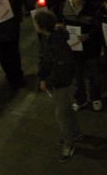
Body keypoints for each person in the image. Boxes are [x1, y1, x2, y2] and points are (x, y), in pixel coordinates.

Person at [34, 9, 81, 163]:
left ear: (43, 26)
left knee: (61, 114)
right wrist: (42, 77)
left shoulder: (56, 43)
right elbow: (44, 60)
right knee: (66, 109)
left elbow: (60, 66)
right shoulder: (49, 38)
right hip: (61, 81)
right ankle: (76, 133)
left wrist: (47, 81)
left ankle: (69, 144)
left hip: (62, 82)